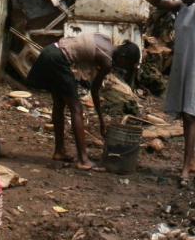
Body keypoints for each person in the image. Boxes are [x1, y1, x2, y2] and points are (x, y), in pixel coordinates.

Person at [23, 33, 141, 170]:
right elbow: (95, 90)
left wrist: (101, 120)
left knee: (59, 104)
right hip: (58, 59)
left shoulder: (107, 40)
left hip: (50, 51)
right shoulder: (107, 61)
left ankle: (59, 151)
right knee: (77, 109)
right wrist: (102, 121)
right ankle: (83, 159)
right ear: (123, 57)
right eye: (125, 65)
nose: (123, 68)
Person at [157, 0, 195, 186]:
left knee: (190, 115)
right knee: (183, 113)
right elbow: (154, 0)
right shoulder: (181, 8)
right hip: (181, 64)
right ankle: (192, 161)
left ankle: (186, 167)